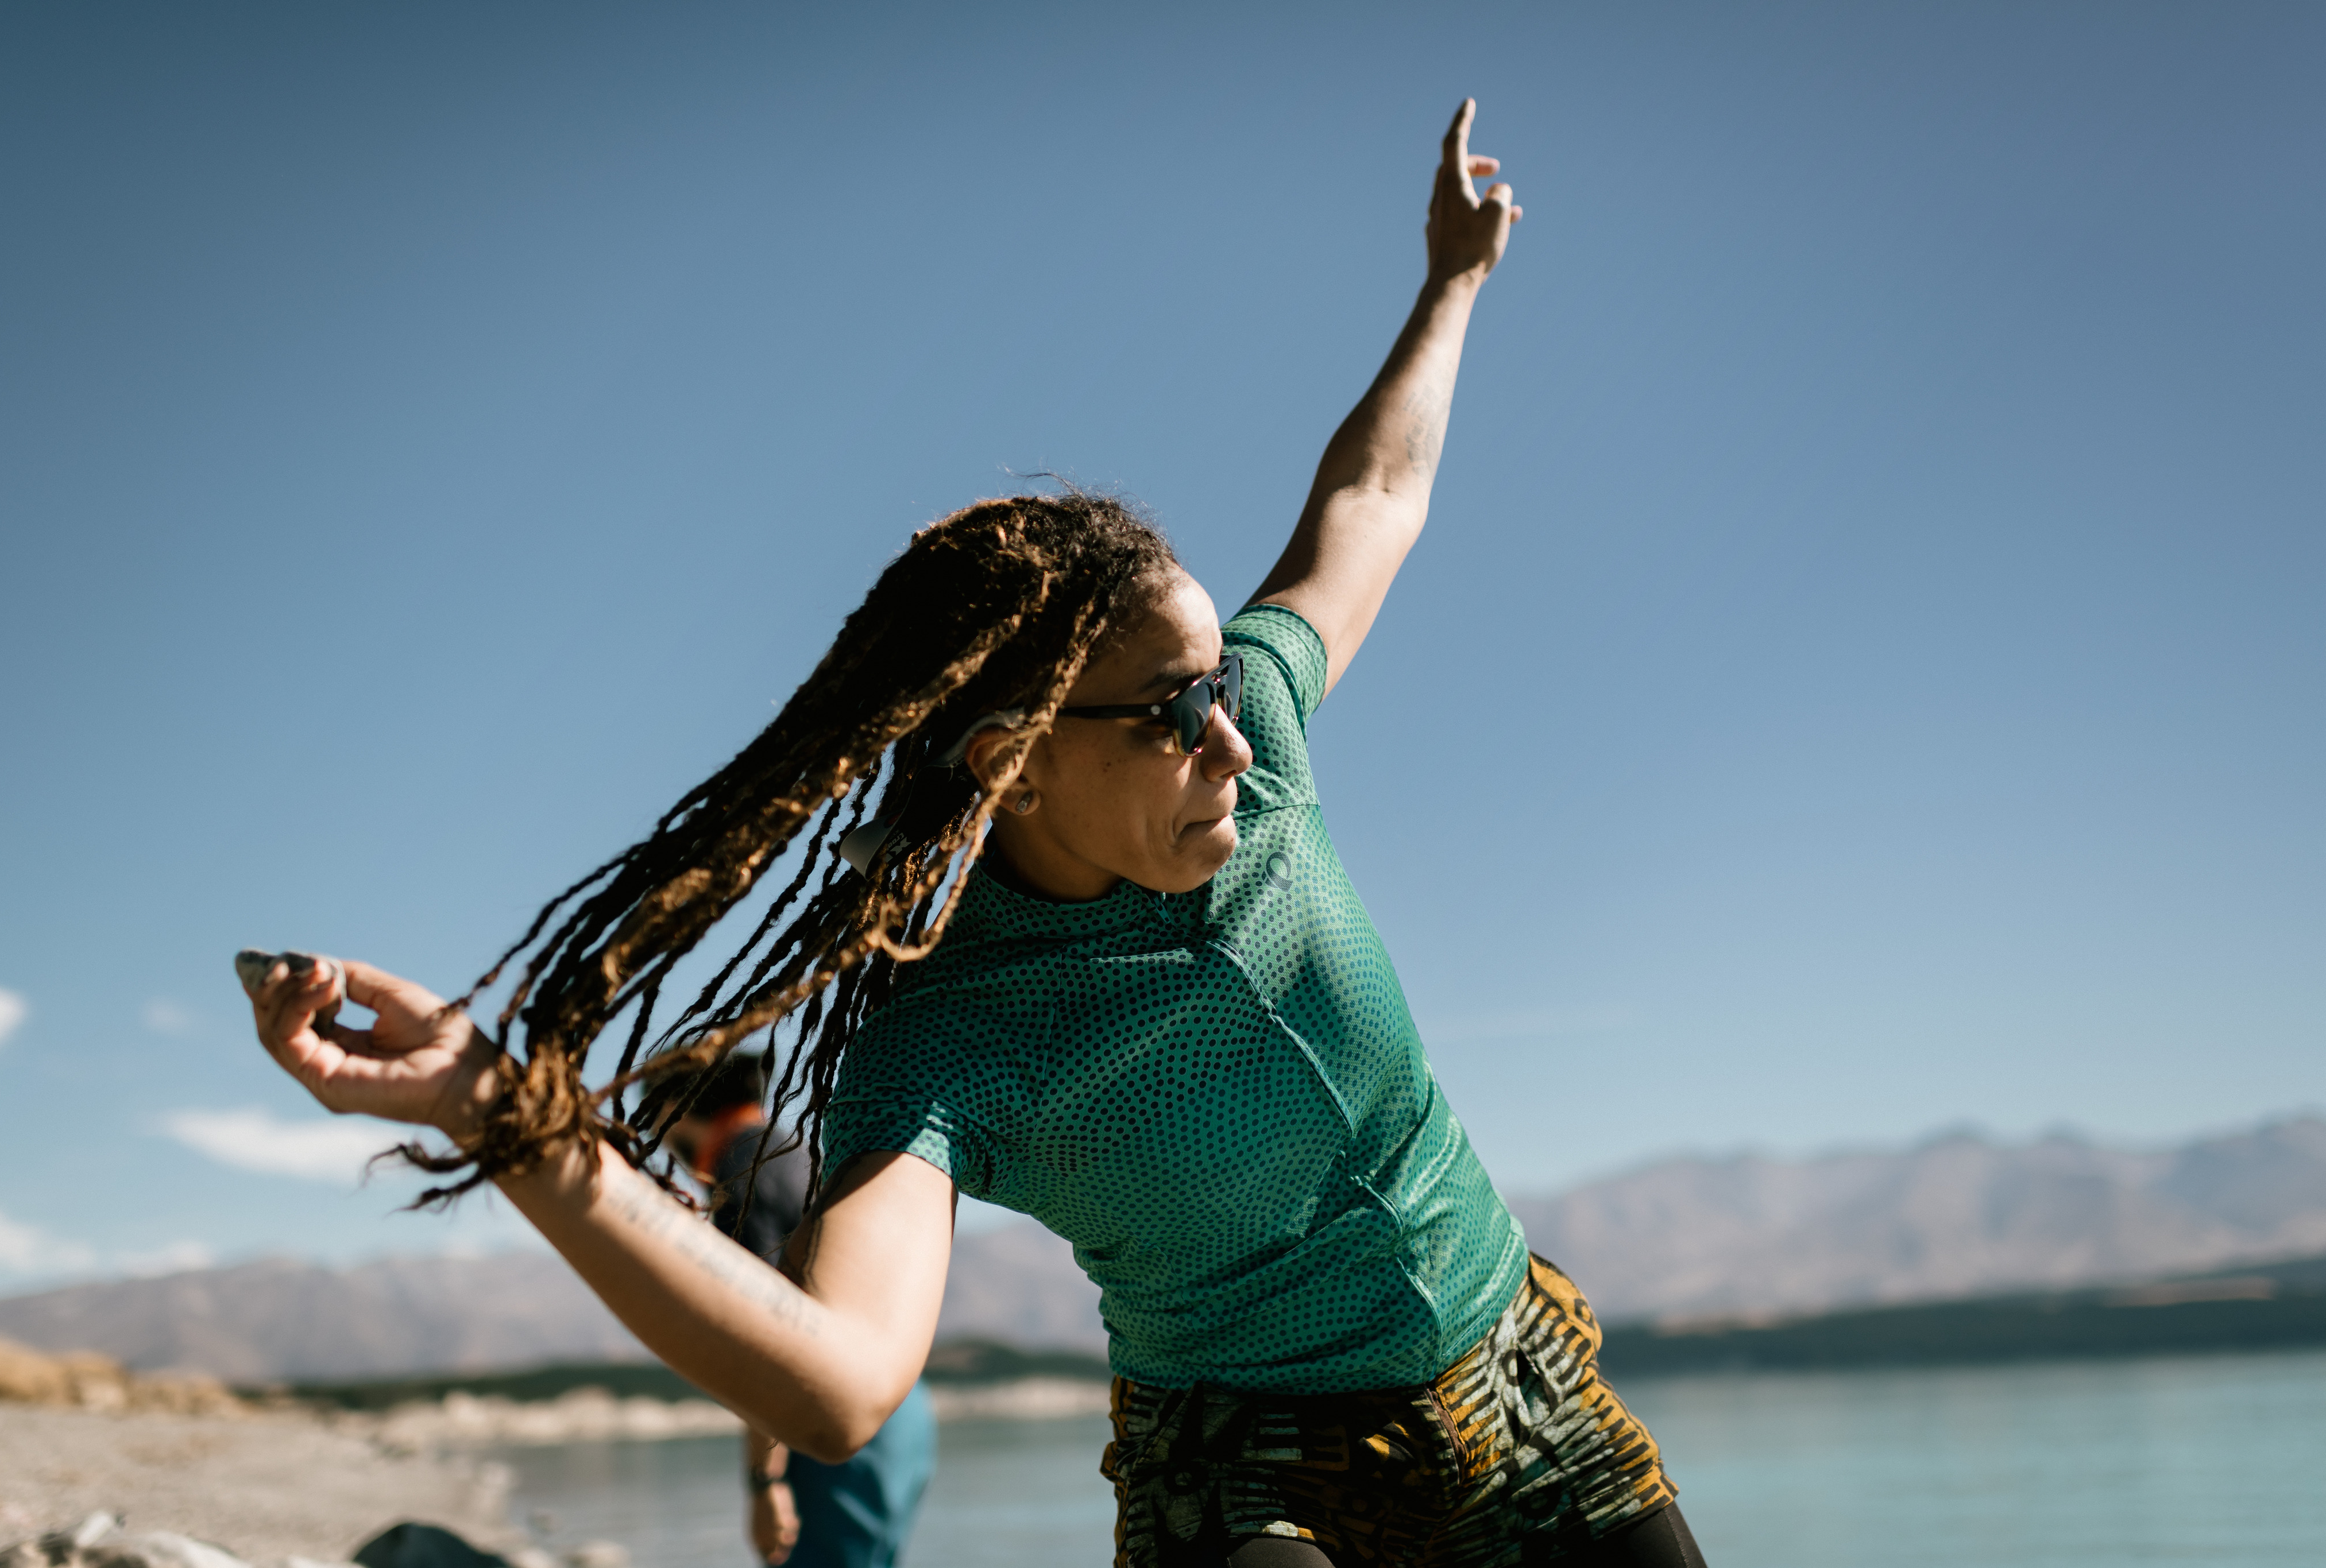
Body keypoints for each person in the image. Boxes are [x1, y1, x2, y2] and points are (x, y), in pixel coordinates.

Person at [242, 102, 1709, 1567]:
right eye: (1170, 714)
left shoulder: (1254, 738)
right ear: (1011, 761)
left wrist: (1452, 282)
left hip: (1525, 1384)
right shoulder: (948, 1043)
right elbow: (838, 1384)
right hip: (1250, 1475)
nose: (1234, 737)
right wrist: (502, 1115)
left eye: (1220, 688)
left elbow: (1373, 497)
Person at [648, 1051, 936, 1568]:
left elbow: (767, 1335)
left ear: (677, 1110)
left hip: (834, 1413)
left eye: (660, 1131)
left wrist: (766, 1482)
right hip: (901, 1406)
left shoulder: (741, 1170)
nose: (670, 1153)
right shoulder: (797, 1150)